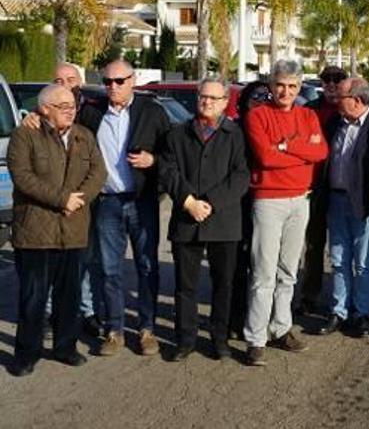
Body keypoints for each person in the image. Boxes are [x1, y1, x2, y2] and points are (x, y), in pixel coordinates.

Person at [7, 85, 107, 376]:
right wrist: (60, 199)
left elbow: (98, 173)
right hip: (36, 232)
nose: (70, 109)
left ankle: (65, 347)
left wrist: (78, 200)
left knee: (69, 296)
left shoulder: (83, 135)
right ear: (44, 108)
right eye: (62, 105)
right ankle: (27, 354)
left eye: (71, 104)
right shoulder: (24, 135)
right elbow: (23, 177)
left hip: (74, 229)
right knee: (33, 298)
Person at [76, 59, 170, 357]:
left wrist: (152, 161)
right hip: (107, 203)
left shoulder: (152, 111)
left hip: (141, 200)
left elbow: (171, 154)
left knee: (146, 266)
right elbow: (68, 138)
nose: (113, 87)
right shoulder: (91, 112)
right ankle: (114, 330)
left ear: (133, 80)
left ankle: (147, 329)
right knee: (109, 269)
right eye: (107, 82)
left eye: (119, 81)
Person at [243, 60, 328, 367]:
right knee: (263, 272)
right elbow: (265, 157)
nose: (286, 91)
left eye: (293, 86)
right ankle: (256, 338)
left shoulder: (307, 115)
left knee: (288, 271)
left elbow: (320, 153)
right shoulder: (257, 116)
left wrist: (286, 145)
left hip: (300, 200)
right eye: (280, 85)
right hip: (268, 201)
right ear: (271, 85)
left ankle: (281, 327)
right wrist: (297, 149)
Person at [159, 77, 250, 361]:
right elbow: (167, 170)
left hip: (223, 221)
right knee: (185, 286)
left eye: (213, 98)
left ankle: (219, 338)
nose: (206, 102)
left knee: (224, 284)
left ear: (225, 102)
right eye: (202, 96)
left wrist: (209, 203)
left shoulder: (235, 134)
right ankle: (185, 339)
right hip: (187, 220)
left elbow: (241, 175)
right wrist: (188, 202)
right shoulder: (177, 133)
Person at [318, 77, 369, 337]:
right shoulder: (335, 123)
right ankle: (339, 310)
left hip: (364, 203)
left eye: (341, 96)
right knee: (337, 259)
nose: (335, 99)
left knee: (363, 262)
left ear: (357, 100)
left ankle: (362, 313)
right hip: (335, 200)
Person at [298, 65, 348, 315]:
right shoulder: (309, 110)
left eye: (337, 79)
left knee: (345, 250)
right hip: (314, 187)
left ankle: (349, 301)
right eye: (326, 80)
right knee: (313, 245)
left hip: (341, 189)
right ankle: (309, 295)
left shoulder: (349, 110)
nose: (331, 84)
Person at [228, 80, 271, 338]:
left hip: (269, 201)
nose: (260, 103)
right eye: (254, 99)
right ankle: (236, 319)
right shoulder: (234, 130)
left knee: (265, 267)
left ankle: (263, 320)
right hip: (239, 203)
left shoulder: (273, 127)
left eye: (265, 99)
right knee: (238, 265)